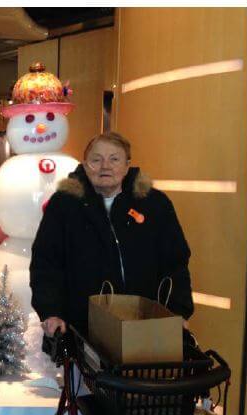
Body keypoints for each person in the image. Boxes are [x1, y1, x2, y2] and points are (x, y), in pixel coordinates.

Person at [30, 131, 193, 338]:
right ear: (85, 164)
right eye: (96, 160)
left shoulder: (155, 204)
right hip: (83, 328)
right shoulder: (64, 204)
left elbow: (176, 262)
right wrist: (51, 311)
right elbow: (46, 262)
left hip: (146, 324)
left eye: (114, 159)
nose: (105, 166)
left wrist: (178, 311)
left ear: (127, 165)